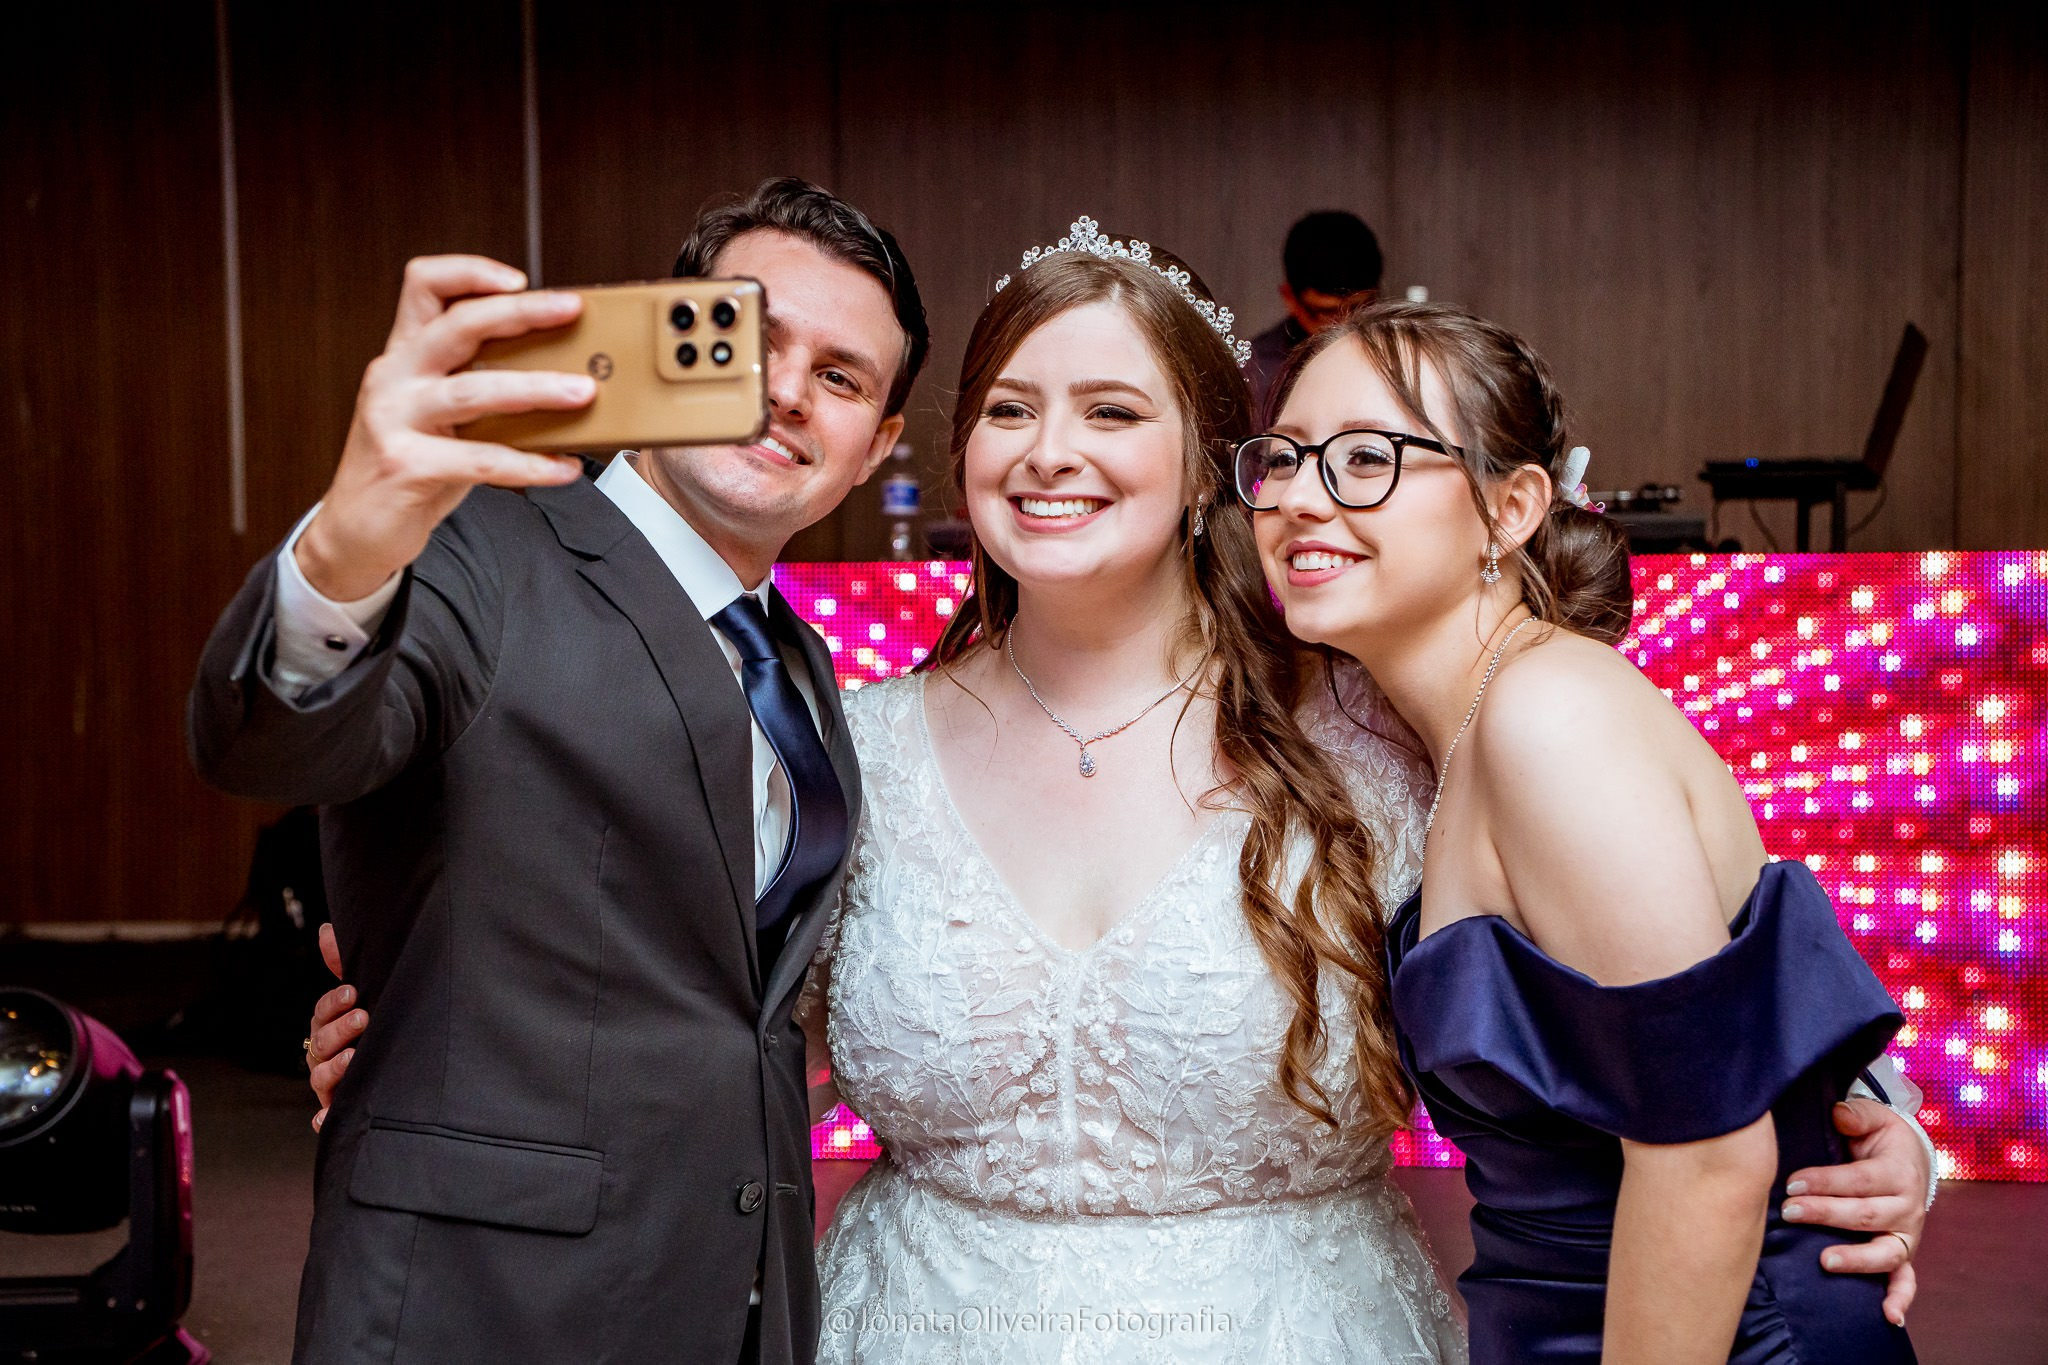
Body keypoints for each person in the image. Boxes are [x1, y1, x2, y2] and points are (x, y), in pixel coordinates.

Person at [305, 229, 1935, 1363]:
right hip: (911, 1330)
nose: (1048, 451)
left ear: (1201, 459)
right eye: (1006, 410)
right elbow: (693, 1037)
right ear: (947, 456)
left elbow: (1689, 962)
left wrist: (1864, 1123)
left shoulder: (1378, 725)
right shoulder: (832, 744)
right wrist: (459, 1056)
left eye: (1108, 410)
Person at [189, 177, 929, 1365]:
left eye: (840, 379)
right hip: (482, 1304)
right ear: (654, 343)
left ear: (874, 449)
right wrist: (352, 531)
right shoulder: (475, 549)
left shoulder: (799, 661)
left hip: (738, 1296)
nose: (785, 392)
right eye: (746, 338)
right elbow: (272, 738)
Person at [1240, 299, 1928, 1363]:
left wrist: (1894, 1135)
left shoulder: (1546, 717)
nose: (1295, 497)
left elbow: (1706, 1158)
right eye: (1279, 460)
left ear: (1509, 507)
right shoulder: (1445, 727)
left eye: (1364, 458)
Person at [1245, 209, 1383, 419]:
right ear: (1289, 298)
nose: (1346, 325)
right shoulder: (1255, 374)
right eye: (1328, 313)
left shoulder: (1400, 360)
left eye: (1357, 308)